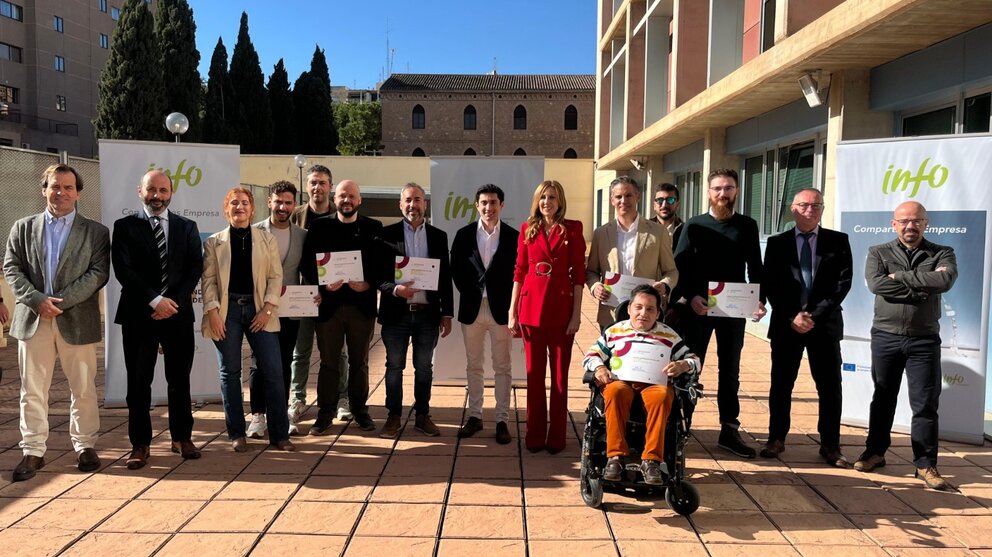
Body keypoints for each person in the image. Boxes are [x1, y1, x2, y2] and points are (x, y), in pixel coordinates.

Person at [3, 164, 110, 481]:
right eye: (54, 186)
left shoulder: (96, 232)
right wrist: (37, 299)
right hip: (34, 320)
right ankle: (33, 451)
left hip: (76, 319)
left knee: (84, 388)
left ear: (77, 193)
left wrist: (60, 301)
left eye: (67, 187)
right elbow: (12, 268)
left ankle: (85, 446)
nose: (60, 192)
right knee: (32, 389)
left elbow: (98, 273)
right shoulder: (22, 228)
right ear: (44, 189)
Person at [854, 201, 957, 490]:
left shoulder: (942, 252)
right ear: (893, 224)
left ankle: (926, 464)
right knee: (883, 397)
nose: (910, 226)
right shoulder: (878, 252)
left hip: (924, 339)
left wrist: (900, 276)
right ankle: (875, 453)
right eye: (904, 221)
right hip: (886, 336)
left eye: (916, 221)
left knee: (925, 404)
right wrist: (922, 289)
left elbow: (945, 279)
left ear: (926, 223)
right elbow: (876, 285)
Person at [111, 170, 204, 470]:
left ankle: (182, 438)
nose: (158, 196)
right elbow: (124, 270)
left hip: (177, 314)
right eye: (152, 190)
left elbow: (193, 269)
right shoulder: (124, 227)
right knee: (139, 383)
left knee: (179, 380)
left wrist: (170, 303)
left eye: (163, 190)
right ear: (140, 191)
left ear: (171, 192)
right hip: (139, 314)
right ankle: (140, 444)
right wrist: (154, 300)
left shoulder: (187, 227)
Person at [672, 168, 765, 459]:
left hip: (733, 310)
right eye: (717, 189)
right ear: (708, 193)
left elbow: (756, 267)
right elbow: (680, 268)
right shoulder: (693, 226)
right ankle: (681, 426)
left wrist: (759, 300)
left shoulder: (747, 226)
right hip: (699, 309)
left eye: (728, 188)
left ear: (736, 191)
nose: (722, 194)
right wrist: (691, 297)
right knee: (690, 366)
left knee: (730, 371)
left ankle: (729, 429)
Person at [760, 188, 852, 467]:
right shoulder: (777, 243)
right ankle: (776, 439)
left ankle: (830, 445)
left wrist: (813, 315)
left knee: (829, 387)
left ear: (822, 209)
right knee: (781, 385)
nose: (809, 209)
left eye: (816, 205)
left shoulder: (839, 241)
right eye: (803, 205)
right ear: (793, 209)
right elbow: (771, 284)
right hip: (787, 325)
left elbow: (842, 284)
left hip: (823, 326)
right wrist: (792, 315)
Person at [201, 187, 294, 452]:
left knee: (274, 371)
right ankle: (236, 434)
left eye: (244, 203)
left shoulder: (267, 241)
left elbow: (276, 277)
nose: (239, 207)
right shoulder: (214, 243)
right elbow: (207, 281)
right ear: (226, 208)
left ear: (253, 209)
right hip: (226, 313)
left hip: (259, 311)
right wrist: (213, 311)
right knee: (229, 373)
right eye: (234, 203)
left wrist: (267, 310)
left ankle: (279, 435)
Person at [583, 285, 700, 484]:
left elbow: (694, 359)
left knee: (662, 396)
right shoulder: (614, 331)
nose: (643, 313)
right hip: (621, 382)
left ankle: (651, 460)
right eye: (638, 307)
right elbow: (591, 355)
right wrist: (599, 368)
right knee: (616, 392)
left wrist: (683, 365)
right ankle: (615, 458)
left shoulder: (669, 335)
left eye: (650, 309)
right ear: (629, 308)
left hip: (654, 384)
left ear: (658, 312)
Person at [508, 180, 585, 454]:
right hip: (530, 312)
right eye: (542, 197)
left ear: (560, 200)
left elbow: (579, 276)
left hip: (562, 314)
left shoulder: (573, 229)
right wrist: (512, 310)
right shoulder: (527, 230)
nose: (547, 202)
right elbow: (519, 271)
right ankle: (535, 435)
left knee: (560, 379)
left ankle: (557, 437)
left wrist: (576, 315)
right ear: (536, 201)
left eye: (552, 197)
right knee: (534, 377)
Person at [301, 179, 382, 434]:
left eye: (352, 197)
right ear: (335, 200)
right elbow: (306, 265)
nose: (347, 201)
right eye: (342, 196)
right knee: (328, 363)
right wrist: (323, 286)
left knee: (360, 362)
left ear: (359, 201)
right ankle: (325, 413)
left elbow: (382, 265)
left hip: (362, 308)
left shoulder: (373, 227)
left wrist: (369, 283)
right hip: (329, 308)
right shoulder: (318, 227)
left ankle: (361, 411)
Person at [376, 183, 454, 439]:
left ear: (425, 204)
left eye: (418, 200)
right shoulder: (385, 235)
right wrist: (396, 290)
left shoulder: (438, 236)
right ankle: (393, 417)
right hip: (396, 314)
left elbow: (444, 277)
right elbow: (377, 277)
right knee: (394, 366)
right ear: (401, 205)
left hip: (427, 314)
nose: (413, 205)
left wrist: (447, 313)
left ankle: (422, 415)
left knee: (424, 368)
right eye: (408, 200)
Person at [450, 184, 519, 444]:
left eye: (493, 202)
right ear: (476, 206)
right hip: (473, 308)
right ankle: (475, 416)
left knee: (503, 367)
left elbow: (518, 273)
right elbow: (456, 268)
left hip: (502, 310)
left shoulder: (514, 236)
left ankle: (502, 420)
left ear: (502, 205)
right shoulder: (464, 234)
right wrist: (472, 290)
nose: (488, 207)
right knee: (474, 365)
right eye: (484, 203)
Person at [288, 164, 351, 432]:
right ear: (307, 186)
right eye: (313, 182)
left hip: (334, 295)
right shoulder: (296, 216)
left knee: (338, 352)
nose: (317, 187)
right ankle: (297, 398)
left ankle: (343, 398)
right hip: (303, 294)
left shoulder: (341, 216)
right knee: (300, 351)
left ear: (330, 187)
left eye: (323, 183)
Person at [246, 181, 308, 440]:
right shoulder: (253, 232)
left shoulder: (303, 235)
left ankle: (279, 415)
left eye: (288, 202)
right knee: (259, 363)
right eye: (278, 201)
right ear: (269, 202)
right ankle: (258, 416)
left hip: (290, 310)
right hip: (260, 309)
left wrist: (313, 296)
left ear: (294, 205)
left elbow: (309, 272)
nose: (283, 207)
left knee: (283, 363)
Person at [587, 175, 678, 331]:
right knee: (611, 355)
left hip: (646, 314)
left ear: (637, 197)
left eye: (628, 195)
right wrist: (595, 286)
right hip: (611, 312)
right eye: (618, 196)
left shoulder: (658, 232)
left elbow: (671, 271)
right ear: (612, 200)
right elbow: (591, 271)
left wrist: (664, 285)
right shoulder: (601, 234)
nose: (624, 201)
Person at [651, 182, 684, 247]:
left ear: (677, 204)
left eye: (670, 200)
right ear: (654, 205)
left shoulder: (685, 232)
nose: (664, 205)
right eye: (660, 200)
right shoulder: (644, 230)